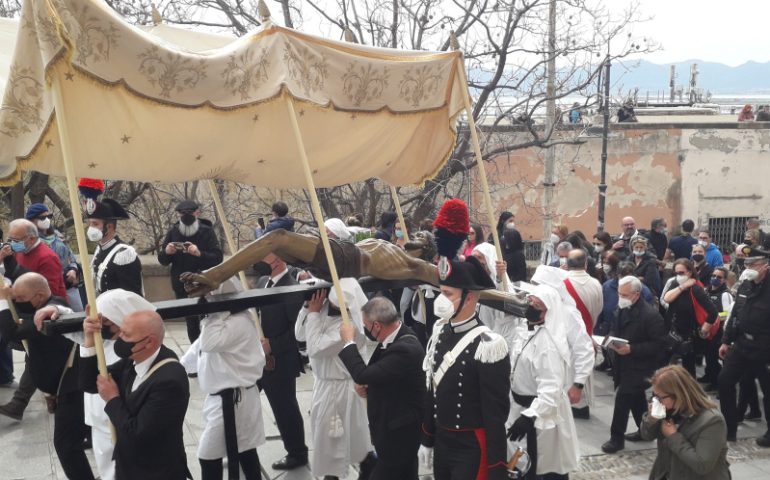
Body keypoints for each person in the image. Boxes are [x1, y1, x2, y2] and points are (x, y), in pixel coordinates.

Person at [420, 256, 511, 480]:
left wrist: (497, 466)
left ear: (469, 298)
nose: (441, 299)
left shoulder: (489, 345)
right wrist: (427, 438)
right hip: (443, 440)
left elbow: (495, 414)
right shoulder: (440, 331)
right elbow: (433, 392)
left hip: (471, 447)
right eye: (441, 292)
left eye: (448, 294)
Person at [0, 273, 95, 479]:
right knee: (86, 431)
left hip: (72, 386)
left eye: (20, 300)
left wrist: (2, 302)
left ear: (40, 296)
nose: (17, 304)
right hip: (64, 386)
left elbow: (11, 333)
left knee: (65, 445)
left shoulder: (50, 314)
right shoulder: (40, 306)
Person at [80, 309, 190, 479]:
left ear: (148, 342)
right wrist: (89, 341)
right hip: (129, 467)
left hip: (155, 472)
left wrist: (112, 399)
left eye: (126, 335)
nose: (119, 337)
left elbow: (137, 435)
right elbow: (90, 383)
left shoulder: (169, 381)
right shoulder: (133, 360)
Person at [181, 278, 265, 480]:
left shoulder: (239, 322)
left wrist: (214, 311)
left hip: (234, 401)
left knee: (208, 455)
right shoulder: (219, 322)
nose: (206, 300)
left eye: (209, 296)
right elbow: (197, 351)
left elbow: (209, 343)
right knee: (245, 451)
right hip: (221, 400)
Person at [338, 296, 425, 480]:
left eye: (365, 325)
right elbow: (382, 375)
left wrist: (348, 342)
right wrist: (368, 388)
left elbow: (362, 374)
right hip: (393, 429)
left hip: (400, 436)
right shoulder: (393, 339)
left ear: (376, 326)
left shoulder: (405, 348)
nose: (364, 329)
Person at [295, 279, 373, 480]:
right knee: (334, 441)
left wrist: (312, 313)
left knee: (335, 443)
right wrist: (307, 308)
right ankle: (368, 467)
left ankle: (358, 470)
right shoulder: (322, 311)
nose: (329, 307)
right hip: (324, 385)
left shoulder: (348, 327)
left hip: (341, 390)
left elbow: (315, 348)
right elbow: (300, 334)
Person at [79, 288, 157, 480]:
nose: (101, 326)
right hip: (99, 424)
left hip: (119, 426)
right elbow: (87, 381)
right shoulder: (102, 341)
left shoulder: (134, 351)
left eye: (106, 322)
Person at [507, 284, 579, 479]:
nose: (531, 307)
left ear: (548, 313)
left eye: (537, 306)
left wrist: (530, 416)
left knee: (541, 467)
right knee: (519, 460)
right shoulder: (525, 331)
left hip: (539, 414)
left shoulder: (547, 346)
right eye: (530, 302)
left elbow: (551, 389)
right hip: (519, 406)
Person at [254, 253, 309, 470]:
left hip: (281, 360)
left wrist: (273, 345)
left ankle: (297, 452)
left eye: (264, 259)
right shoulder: (261, 282)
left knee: (284, 407)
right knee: (241, 400)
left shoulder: (291, 289)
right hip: (257, 357)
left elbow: (297, 332)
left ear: (278, 262)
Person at [602, 276, 667, 454]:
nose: (620, 297)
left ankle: (616, 438)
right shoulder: (622, 307)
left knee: (623, 399)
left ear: (636, 294)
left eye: (624, 294)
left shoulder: (651, 315)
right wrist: (611, 339)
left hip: (641, 366)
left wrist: (632, 349)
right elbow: (615, 327)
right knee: (636, 398)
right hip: (623, 362)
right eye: (619, 293)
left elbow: (659, 345)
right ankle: (644, 430)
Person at [528, 266, 595, 421]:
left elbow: (583, 349)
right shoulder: (535, 307)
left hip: (560, 381)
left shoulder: (569, 313)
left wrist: (578, 384)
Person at [640, 365, 731, 480]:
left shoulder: (712, 421)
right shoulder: (667, 409)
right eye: (654, 396)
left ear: (678, 395)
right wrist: (651, 419)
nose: (656, 401)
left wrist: (673, 436)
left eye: (660, 397)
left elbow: (702, 465)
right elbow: (647, 435)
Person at [717, 254, 770, 445]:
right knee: (724, 382)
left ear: (765, 266)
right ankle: (729, 428)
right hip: (741, 344)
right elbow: (734, 315)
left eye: (753, 264)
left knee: (767, 390)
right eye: (747, 264)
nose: (748, 267)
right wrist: (725, 341)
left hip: (764, 348)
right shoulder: (745, 285)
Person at [157, 200, 223, 343]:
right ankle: (195, 351)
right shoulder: (173, 231)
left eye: (190, 213)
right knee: (191, 322)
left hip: (204, 283)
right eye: (182, 214)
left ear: (197, 213)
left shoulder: (207, 231)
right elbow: (163, 261)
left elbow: (218, 258)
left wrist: (199, 253)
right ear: (178, 215)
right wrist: (167, 252)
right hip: (182, 285)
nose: (186, 217)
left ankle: (208, 349)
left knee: (207, 319)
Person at [662, 259, 718, 377]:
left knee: (688, 370)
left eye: (682, 273)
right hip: (672, 330)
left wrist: (703, 330)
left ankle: (690, 393)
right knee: (662, 365)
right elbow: (667, 298)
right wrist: (682, 287)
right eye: (676, 273)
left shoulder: (696, 289)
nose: (678, 276)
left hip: (688, 335)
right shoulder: (675, 283)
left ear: (690, 272)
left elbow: (713, 312)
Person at [25, 203, 83, 311]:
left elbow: (70, 256)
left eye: (49, 216)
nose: (47, 220)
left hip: (68, 286)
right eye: (42, 217)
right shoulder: (30, 241)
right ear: (31, 220)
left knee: (78, 319)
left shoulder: (57, 235)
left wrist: (73, 269)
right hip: (48, 291)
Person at [87, 198, 143, 295]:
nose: (91, 228)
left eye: (95, 224)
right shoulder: (99, 249)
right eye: (90, 223)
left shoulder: (124, 254)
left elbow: (132, 295)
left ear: (109, 227)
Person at [1, 218, 67, 299]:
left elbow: (49, 293)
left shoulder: (48, 258)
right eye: (10, 239)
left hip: (49, 308)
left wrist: (13, 293)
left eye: (16, 240)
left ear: (32, 239)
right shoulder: (19, 251)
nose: (12, 243)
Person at [565, 249, 603, 336]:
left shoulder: (560, 283)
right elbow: (599, 308)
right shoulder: (596, 284)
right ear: (586, 264)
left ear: (567, 264)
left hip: (567, 337)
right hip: (588, 334)